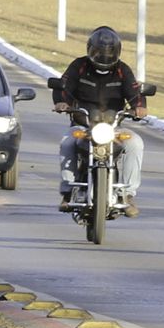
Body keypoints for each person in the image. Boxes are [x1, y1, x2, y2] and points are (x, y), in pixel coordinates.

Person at [52, 26, 148, 217]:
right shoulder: (79, 66)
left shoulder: (122, 71)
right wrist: (62, 103)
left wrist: (139, 106)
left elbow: (135, 92)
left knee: (136, 143)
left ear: (117, 52)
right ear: (90, 49)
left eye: (109, 52)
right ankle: (68, 191)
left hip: (113, 128)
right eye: (99, 52)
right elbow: (63, 86)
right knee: (68, 142)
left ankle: (127, 195)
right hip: (83, 125)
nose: (104, 56)